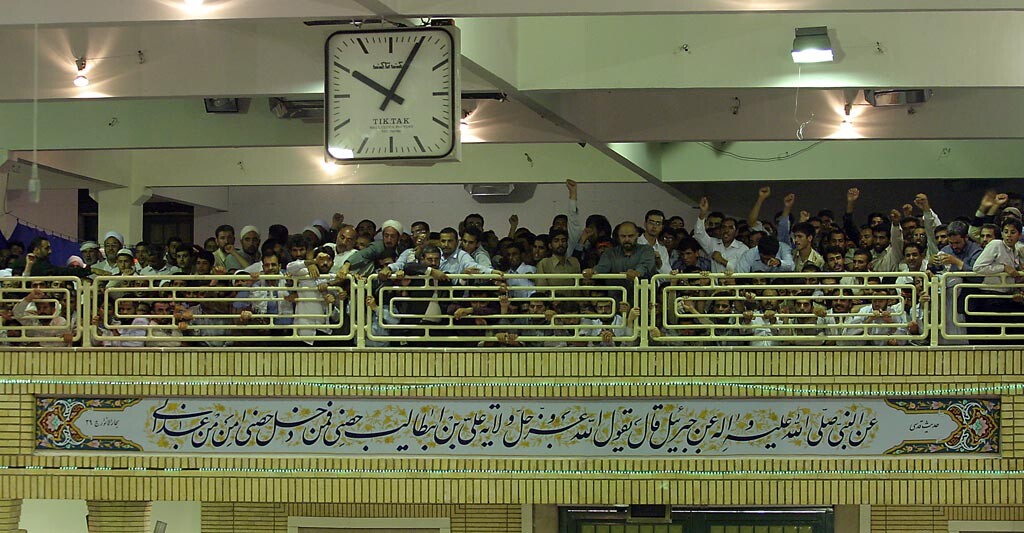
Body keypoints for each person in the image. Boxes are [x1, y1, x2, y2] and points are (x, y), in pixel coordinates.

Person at [693, 196, 749, 273]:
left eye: (730, 228)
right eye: (723, 227)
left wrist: (723, 261)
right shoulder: (712, 243)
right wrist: (703, 213)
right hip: (715, 281)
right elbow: (698, 234)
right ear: (719, 230)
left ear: (736, 232)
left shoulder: (743, 249)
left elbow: (743, 271)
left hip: (734, 281)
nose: (726, 230)